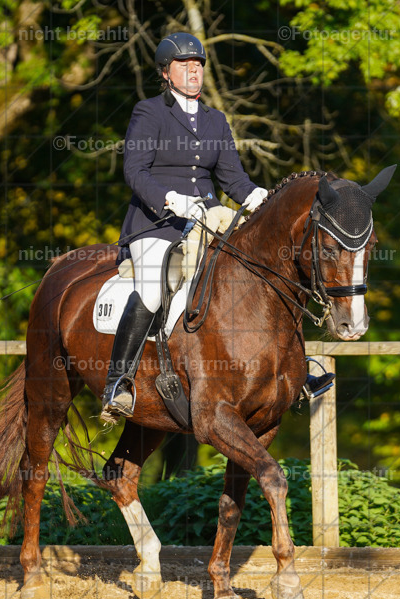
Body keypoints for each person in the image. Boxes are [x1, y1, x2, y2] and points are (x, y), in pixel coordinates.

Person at [102, 32, 268, 419]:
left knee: (254, 278)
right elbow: (134, 170)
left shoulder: (216, 120)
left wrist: (258, 195)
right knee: (153, 290)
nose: (194, 70)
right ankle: (118, 382)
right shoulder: (149, 112)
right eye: (184, 64)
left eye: (199, 64)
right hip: (156, 224)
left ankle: (286, 370)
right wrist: (169, 200)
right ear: (166, 72)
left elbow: (233, 179)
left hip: (209, 221)